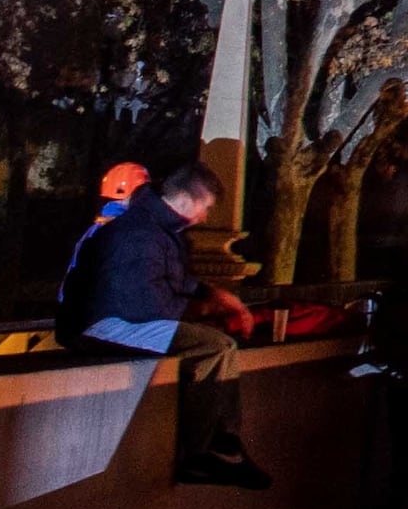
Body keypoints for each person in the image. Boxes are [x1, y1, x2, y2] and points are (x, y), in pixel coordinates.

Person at [59, 162, 268, 488]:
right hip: (103, 325)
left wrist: (209, 295)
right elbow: (144, 304)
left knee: (214, 343)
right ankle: (203, 450)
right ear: (188, 199)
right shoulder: (142, 233)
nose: (205, 218)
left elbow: (166, 282)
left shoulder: (153, 227)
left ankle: (224, 441)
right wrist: (199, 308)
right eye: (206, 208)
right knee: (214, 347)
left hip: (109, 318)